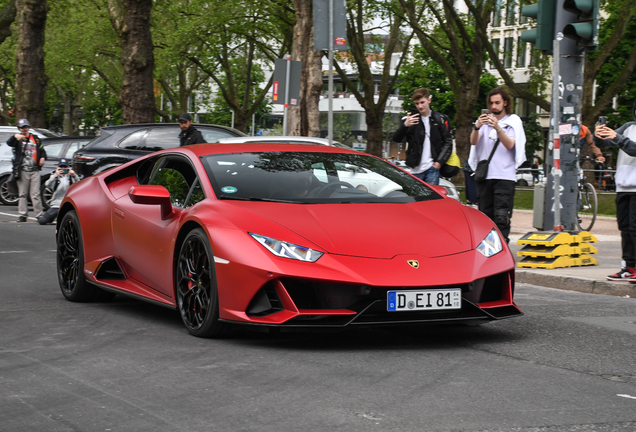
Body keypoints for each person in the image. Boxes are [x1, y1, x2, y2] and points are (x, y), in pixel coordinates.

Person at [468, 86, 526, 243]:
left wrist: (498, 128)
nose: (494, 106)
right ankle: (488, 251)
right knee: (485, 217)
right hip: (485, 176)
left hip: (504, 176)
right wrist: (477, 126)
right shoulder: (484, 122)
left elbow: (510, 145)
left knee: (501, 217)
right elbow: (473, 142)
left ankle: (502, 250)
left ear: (505, 103)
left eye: (497, 103)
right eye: (491, 103)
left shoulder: (513, 122)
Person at [593, 99, 636, 281]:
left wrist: (616, 137)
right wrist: (599, 135)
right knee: (625, 228)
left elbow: (633, 149)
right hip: (624, 185)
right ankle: (629, 267)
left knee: (635, 228)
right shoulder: (628, 127)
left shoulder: (624, 133)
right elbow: (604, 144)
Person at [392, 88, 452, 185]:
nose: (420, 106)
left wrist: (438, 163)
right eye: (417, 103)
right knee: (416, 199)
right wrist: (405, 126)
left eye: (422, 102)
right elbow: (396, 139)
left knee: (431, 199)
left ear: (429, 100)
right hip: (415, 169)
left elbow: (448, 142)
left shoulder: (440, 119)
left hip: (432, 168)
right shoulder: (410, 119)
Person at [6, 118, 46, 222]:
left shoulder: (36, 138)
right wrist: (15, 136)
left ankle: (39, 215)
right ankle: (23, 215)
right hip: (23, 170)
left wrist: (42, 158)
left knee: (35, 194)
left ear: (29, 128)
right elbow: (9, 143)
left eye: (26, 127)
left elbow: (42, 150)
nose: (24, 129)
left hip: (35, 169)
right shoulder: (17, 139)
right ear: (19, 128)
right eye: (22, 127)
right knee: (22, 193)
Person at [38, 158, 79, 225]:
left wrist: (74, 176)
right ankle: (54, 217)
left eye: (65, 167)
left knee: (72, 222)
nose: (63, 169)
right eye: (61, 167)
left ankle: (60, 217)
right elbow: (47, 185)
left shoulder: (71, 177)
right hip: (56, 205)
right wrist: (55, 176)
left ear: (68, 167)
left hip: (68, 205)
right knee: (42, 221)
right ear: (57, 167)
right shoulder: (54, 176)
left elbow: (79, 185)